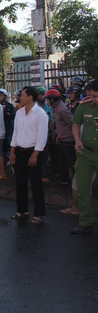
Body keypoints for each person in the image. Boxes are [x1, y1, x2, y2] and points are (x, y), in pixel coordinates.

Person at [9, 86, 49, 225]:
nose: (20, 98)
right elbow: (16, 132)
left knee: (36, 183)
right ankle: (22, 210)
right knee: (20, 182)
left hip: (34, 151)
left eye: (23, 95)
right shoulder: (19, 113)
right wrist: (12, 150)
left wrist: (35, 154)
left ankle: (38, 214)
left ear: (30, 97)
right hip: (20, 150)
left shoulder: (40, 114)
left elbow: (42, 136)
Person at [70, 79, 98, 234]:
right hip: (85, 153)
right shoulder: (84, 106)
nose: (95, 99)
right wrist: (77, 140)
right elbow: (75, 124)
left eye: (97, 96)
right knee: (83, 189)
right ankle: (86, 222)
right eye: (93, 96)